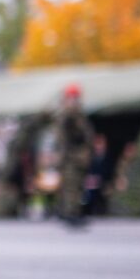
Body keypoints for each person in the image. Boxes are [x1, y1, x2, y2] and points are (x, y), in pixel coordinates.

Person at [53, 84, 94, 226]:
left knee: (74, 185)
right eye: (72, 97)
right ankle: (70, 213)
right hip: (71, 157)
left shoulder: (76, 113)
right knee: (71, 185)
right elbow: (63, 138)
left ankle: (67, 212)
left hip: (76, 156)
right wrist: (65, 156)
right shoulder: (67, 113)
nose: (75, 100)